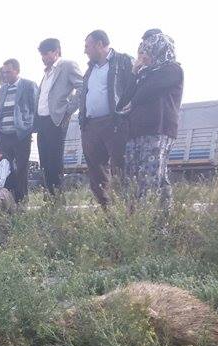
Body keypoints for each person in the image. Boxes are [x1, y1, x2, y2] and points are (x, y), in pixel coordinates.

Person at [117, 30, 183, 212]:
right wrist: (133, 73)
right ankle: (138, 221)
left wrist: (134, 93)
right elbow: (124, 101)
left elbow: (144, 93)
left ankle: (155, 224)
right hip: (135, 132)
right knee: (134, 179)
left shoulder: (172, 70)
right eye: (141, 53)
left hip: (157, 130)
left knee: (152, 179)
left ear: (158, 50)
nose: (142, 57)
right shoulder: (142, 74)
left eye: (146, 52)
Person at [79, 30, 135, 207]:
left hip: (115, 123)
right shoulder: (89, 69)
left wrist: (127, 112)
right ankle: (108, 214)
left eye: (87, 46)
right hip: (91, 126)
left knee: (121, 169)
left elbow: (136, 87)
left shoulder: (124, 61)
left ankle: (127, 213)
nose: (85, 50)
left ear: (100, 44)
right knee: (96, 174)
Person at [36, 38, 83, 196]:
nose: (43, 57)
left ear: (56, 51)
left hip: (55, 120)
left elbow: (82, 87)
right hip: (42, 121)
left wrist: (67, 110)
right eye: (41, 54)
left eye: (46, 53)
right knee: (44, 161)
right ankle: (49, 197)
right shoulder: (47, 72)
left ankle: (57, 199)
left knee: (54, 161)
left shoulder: (67, 65)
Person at [0, 59, 38, 204]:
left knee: (21, 168)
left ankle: (22, 201)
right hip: (3, 134)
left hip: (20, 134)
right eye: (4, 72)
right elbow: (0, 109)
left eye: (8, 72)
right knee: (5, 167)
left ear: (17, 71)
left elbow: (35, 108)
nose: (5, 75)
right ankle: (8, 200)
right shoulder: (3, 89)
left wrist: (28, 128)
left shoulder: (28, 85)